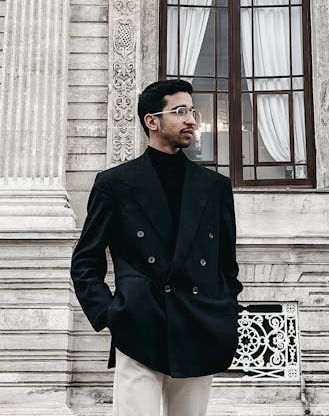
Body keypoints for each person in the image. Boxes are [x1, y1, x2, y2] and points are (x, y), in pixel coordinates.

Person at [71, 78, 242, 416]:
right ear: (152, 121)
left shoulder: (215, 187)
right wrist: (111, 314)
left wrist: (224, 308)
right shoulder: (114, 184)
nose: (192, 119)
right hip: (138, 328)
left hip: (198, 324)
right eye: (180, 111)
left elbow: (227, 264)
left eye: (193, 111)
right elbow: (86, 261)